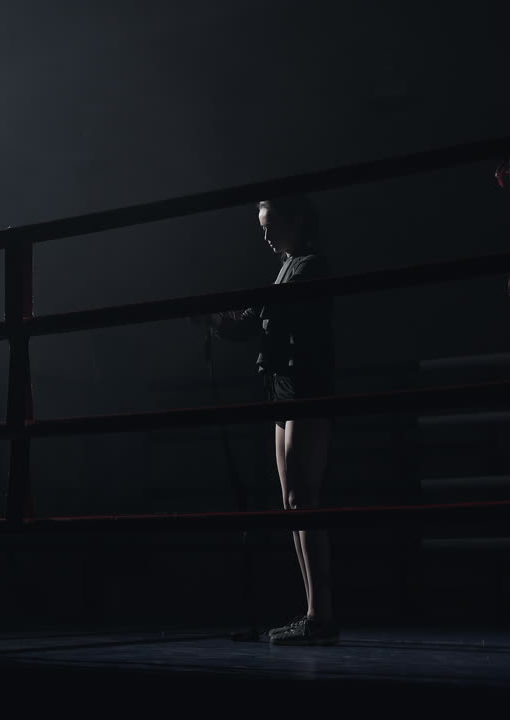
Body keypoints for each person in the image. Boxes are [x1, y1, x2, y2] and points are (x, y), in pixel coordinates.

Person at [194, 195, 338, 645]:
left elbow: (268, 316)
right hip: (282, 388)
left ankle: (321, 615)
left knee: (302, 499)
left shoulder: (310, 266)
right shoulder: (289, 266)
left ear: (296, 220)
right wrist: (218, 321)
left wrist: (230, 318)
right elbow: (260, 317)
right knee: (292, 502)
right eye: (262, 226)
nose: (265, 234)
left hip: (304, 387)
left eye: (271, 224)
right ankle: (314, 613)